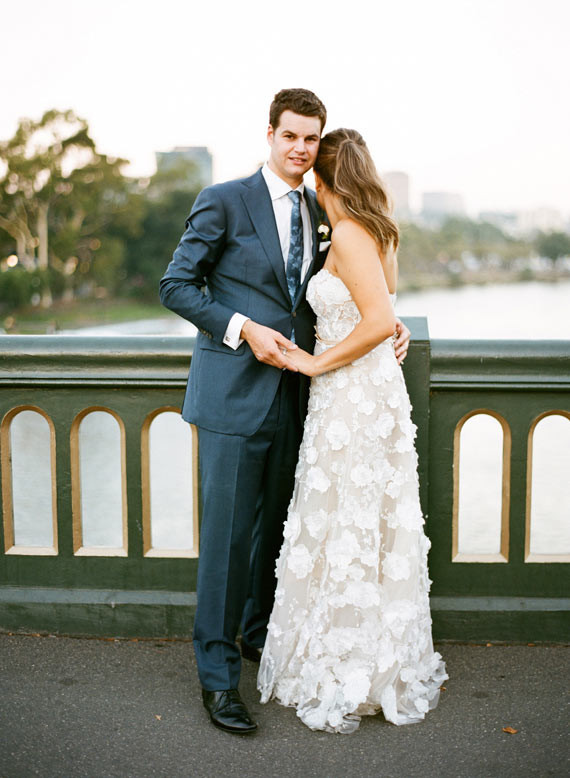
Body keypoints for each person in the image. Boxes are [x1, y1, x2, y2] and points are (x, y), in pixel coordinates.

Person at [159, 90, 411, 735]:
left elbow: (341, 289)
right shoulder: (224, 199)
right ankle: (219, 683)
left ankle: (256, 638)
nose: (301, 149)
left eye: (311, 139)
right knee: (225, 546)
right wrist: (242, 328)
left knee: (277, 534)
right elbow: (176, 285)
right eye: (291, 136)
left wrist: (388, 319)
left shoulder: (323, 206)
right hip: (234, 397)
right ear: (269, 133)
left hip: (305, 403)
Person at [257, 128, 447, 733]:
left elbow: (376, 318)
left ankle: (353, 660)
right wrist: (383, 329)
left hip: (351, 394)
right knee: (355, 514)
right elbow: (383, 302)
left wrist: (314, 361)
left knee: (350, 513)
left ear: (322, 178)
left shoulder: (348, 232)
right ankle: (358, 649)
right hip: (361, 390)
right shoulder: (375, 229)